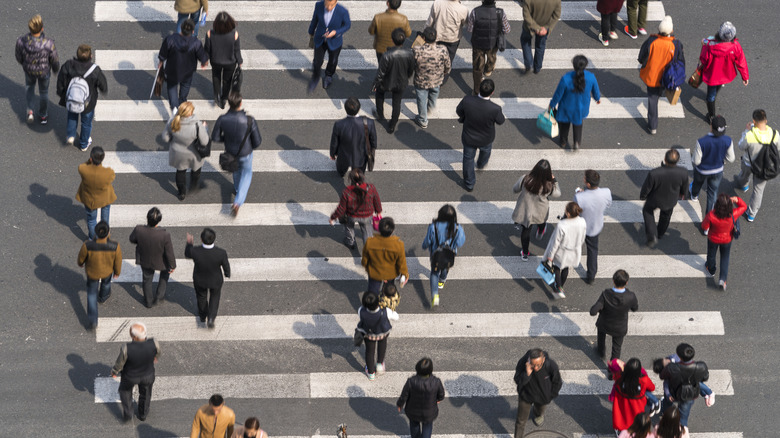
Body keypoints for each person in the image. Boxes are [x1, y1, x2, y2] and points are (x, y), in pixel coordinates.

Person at [212, 92, 262, 216]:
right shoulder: (249, 120)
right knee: (247, 174)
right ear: (241, 102)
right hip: (245, 153)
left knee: (236, 171)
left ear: (229, 103)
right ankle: (237, 202)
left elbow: (215, 137)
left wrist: (227, 140)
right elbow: (257, 141)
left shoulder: (222, 119)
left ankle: (237, 188)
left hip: (230, 153)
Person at [456, 79, 506, 191]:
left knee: (468, 159)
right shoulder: (495, 108)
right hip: (486, 138)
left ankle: (469, 183)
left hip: (469, 136)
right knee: (485, 152)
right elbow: (501, 121)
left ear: (479, 89)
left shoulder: (467, 100)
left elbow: (459, 111)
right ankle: (481, 164)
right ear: (492, 92)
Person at [56, 44, 107, 150]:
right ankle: (83, 144)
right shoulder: (94, 70)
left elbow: (61, 80)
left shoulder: (68, 65)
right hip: (88, 102)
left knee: (72, 115)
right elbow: (103, 85)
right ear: (91, 56)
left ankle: (70, 135)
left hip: (72, 98)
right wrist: (103, 90)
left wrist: (61, 93)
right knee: (86, 122)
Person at [638, 16, 682, 135]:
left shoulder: (652, 41)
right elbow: (680, 62)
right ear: (671, 31)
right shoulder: (676, 44)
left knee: (652, 100)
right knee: (659, 90)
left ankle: (653, 126)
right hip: (667, 77)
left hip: (652, 76)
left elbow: (641, 57)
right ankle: (660, 92)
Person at [698, 21, 749, 124]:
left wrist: (703, 43)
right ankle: (714, 96)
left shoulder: (710, 44)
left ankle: (711, 116)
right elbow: (741, 61)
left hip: (712, 74)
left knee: (710, 96)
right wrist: (745, 77)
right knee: (718, 85)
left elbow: (703, 59)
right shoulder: (735, 46)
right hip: (725, 73)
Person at [548, 54, 601, 150]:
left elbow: (558, 94)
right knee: (578, 123)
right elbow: (595, 91)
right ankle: (577, 142)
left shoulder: (566, 78)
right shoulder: (591, 77)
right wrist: (597, 99)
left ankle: (563, 142)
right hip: (581, 107)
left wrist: (552, 105)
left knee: (564, 126)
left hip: (566, 107)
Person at [111, 322, 160, 422]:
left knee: (125, 391)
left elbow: (120, 363)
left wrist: (114, 371)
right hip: (148, 375)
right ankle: (143, 414)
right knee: (146, 394)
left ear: (133, 337)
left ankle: (128, 413)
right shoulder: (154, 343)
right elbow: (158, 353)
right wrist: (155, 358)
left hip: (130, 376)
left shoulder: (126, 348)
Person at [512, 159, 561, 260]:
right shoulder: (549, 185)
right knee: (541, 221)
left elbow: (515, 189)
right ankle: (540, 231)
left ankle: (525, 253)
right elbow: (557, 194)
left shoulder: (525, 179)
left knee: (525, 231)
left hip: (525, 211)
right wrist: (554, 180)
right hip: (540, 211)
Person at [734, 109, 778, 222]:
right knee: (758, 190)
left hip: (749, 163)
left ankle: (743, 185)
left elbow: (740, 146)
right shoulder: (775, 134)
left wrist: (746, 131)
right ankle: (751, 214)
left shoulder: (750, 135)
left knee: (744, 175)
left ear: (754, 121)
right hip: (765, 168)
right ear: (766, 120)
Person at [77, 221, 122, 330]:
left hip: (92, 272)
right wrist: (117, 272)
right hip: (107, 271)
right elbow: (118, 261)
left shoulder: (87, 245)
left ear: (96, 233)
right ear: (108, 232)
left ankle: (93, 320)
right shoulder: (114, 246)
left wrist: (81, 263)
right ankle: (103, 297)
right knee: (106, 284)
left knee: (91, 294)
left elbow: (81, 257)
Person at [129, 207, 177, 308]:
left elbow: (132, 239)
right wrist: (173, 265)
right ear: (159, 220)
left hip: (145, 259)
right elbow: (169, 252)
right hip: (161, 261)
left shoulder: (138, 229)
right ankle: (159, 296)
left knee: (147, 279)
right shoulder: (165, 234)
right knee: (165, 274)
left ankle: (148, 302)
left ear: (147, 218)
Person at [639, 149, 688, 247]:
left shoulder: (655, 173)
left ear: (665, 159)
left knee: (647, 211)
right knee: (666, 216)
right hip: (671, 200)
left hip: (655, 199)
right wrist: (683, 194)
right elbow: (684, 187)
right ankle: (660, 233)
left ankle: (652, 234)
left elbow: (647, 187)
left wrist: (643, 196)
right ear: (677, 160)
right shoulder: (683, 172)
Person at [16, 14, 59, 125]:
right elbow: (54, 59)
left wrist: (24, 64)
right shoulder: (49, 43)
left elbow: (18, 56)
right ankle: (43, 115)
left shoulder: (21, 41)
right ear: (42, 28)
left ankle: (30, 111)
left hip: (29, 71)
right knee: (43, 92)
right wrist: (55, 69)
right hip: (44, 72)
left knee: (30, 88)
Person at [163, 101, 210, 201]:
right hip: (194, 154)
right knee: (196, 171)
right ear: (189, 114)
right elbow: (204, 141)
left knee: (180, 172)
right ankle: (193, 188)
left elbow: (165, 138)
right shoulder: (197, 125)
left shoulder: (173, 121)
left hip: (178, 154)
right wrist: (205, 128)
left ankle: (181, 193)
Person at [158, 19, 208, 111]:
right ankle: (182, 103)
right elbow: (203, 57)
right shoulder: (196, 43)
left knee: (172, 88)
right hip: (187, 72)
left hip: (172, 70)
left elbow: (163, 54)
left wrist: (161, 62)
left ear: (181, 28)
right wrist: (204, 62)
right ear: (193, 31)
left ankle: (174, 108)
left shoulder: (170, 39)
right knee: (185, 87)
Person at [185, 228, 231, 328]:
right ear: (214, 239)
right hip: (215, 280)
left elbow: (187, 254)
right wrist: (227, 273)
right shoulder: (221, 253)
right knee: (215, 297)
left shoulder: (195, 251)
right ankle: (211, 318)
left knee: (201, 297)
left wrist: (189, 243)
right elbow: (226, 266)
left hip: (200, 280)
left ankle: (202, 316)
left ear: (201, 239)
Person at [422, 205, 466, 307]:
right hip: (449, 253)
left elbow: (427, 241)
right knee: (445, 266)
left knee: (434, 272)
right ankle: (442, 281)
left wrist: (424, 246)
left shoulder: (433, 227)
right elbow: (460, 243)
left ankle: (435, 294)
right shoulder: (457, 228)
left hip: (436, 254)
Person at [373, 28, 415, 133]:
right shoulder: (410, 53)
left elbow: (381, 73)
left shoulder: (387, 55)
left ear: (392, 40)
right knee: (397, 103)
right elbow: (411, 70)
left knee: (379, 94)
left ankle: (380, 114)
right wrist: (406, 77)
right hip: (401, 82)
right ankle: (392, 125)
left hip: (386, 82)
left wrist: (375, 83)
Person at [513, 348, 562, 438]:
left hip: (542, 397)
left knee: (540, 411)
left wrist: (549, 396)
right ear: (528, 361)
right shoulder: (523, 363)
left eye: (538, 365)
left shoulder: (551, 365)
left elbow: (557, 382)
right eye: (533, 365)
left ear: (543, 359)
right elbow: (517, 379)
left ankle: (538, 414)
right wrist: (527, 374)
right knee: (521, 421)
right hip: (526, 396)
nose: (536, 368)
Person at [590, 270, 638, 360]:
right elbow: (634, 308)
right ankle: (612, 370)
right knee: (616, 348)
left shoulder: (606, 294)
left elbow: (593, 312)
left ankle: (601, 351)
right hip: (620, 327)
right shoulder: (631, 296)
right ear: (626, 282)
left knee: (601, 336)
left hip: (604, 324)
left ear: (613, 280)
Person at [701, 194, 746, 290]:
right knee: (725, 258)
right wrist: (737, 199)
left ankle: (711, 269)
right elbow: (744, 207)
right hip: (727, 239)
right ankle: (722, 279)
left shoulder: (711, 215)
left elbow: (704, 226)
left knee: (711, 254)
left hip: (713, 238)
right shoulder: (734, 214)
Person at [329, 169, 383, 250]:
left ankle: (350, 242)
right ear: (363, 177)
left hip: (351, 215)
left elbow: (341, 208)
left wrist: (333, 217)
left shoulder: (347, 191)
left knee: (349, 228)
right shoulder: (371, 188)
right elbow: (376, 200)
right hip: (367, 215)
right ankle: (368, 249)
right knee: (367, 231)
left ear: (351, 179)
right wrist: (378, 211)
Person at [690, 115, 735, 213]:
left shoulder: (701, 142)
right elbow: (731, 158)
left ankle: (694, 196)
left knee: (697, 184)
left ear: (711, 126)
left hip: (702, 170)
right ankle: (708, 222)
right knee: (712, 194)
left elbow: (696, 161)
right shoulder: (728, 140)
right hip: (717, 170)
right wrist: (723, 160)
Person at [659, 343, 709, 429]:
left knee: (667, 404)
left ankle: (665, 414)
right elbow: (705, 377)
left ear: (679, 357)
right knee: (683, 418)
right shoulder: (701, 366)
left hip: (673, 392)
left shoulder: (671, 367)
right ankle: (682, 432)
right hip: (689, 394)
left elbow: (662, 376)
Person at [574, 170, 612, 283]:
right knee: (592, 251)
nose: (583, 179)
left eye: (584, 178)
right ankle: (591, 276)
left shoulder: (579, 197)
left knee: (575, 244)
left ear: (588, 184)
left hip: (581, 226)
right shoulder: (606, 192)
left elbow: (575, 211)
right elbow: (609, 204)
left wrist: (580, 193)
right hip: (595, 226)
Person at [543, 201, 587, 299]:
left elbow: (555, 242)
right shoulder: (582, 222)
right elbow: (582, 237)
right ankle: (561, 285)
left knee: (557, 268)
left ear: (568, 213)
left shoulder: (562, 225)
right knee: (566, 268)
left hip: (562, 251)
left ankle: (558, 287)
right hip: (573, 250)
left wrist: (550, 256)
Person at [307, 0, 351, 92]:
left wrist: (336, 32)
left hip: (335, 41)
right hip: (320, 39)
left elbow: (347, 25)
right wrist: (311, 32)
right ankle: (315, 77)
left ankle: (328, 76)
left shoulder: (342, 11)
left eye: (332, 5)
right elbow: (315, 19)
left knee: (333, 61)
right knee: (317, 62)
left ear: (336, 2)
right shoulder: (318, 5)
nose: (329, 8)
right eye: (327, 5)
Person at [467, 0, 510, 94]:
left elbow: (470, 29)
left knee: (477, 67)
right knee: (492, 57)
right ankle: (488, 70)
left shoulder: (475, 11)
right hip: (493, 43)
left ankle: (477, 90)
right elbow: (507, 30)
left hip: (478, 43)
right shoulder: (500, 12)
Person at [397, 357, 446, 438]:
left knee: (414, 425)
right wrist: (438, 399)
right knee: (427, 426)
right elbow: (441, 394)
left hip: (413, 411)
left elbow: (404, 396)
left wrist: (400, 404)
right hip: (429, 412)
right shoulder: (436, 382)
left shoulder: (411, 381)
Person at [412, 27, 450, 129]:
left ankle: (423, 120)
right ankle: (430, 109)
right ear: (436, 37)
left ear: (423, 37)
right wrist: (445, 72)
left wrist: (418, 41)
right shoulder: (442, 49)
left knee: (421, 99)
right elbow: (447, 65)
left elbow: (412, 63)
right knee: (434, 94)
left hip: (421, 81)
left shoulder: (417, 50)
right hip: (436, 80)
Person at [76, 146, 117, 240]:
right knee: (105, 214)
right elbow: (112, 177)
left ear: (91, 159)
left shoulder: (83, 169)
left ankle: (93, 238)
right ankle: (104, 234)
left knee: (91, 220)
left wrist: (90, 161)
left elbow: (82, 166)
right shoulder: (108, 173)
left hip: (91, 200)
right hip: (105, 197)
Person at [330, 97, 378, 177]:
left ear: (345, 109)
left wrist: (332, 154)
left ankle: (342, 174)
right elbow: (373, 141)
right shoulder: (369, 123)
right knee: (359, 175)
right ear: (359, 109)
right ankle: (356, 185)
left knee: (341, 169)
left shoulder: (339, 125)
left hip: (344, 155)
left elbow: (334, 143)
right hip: (361, 156)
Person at [205, 11, 243, 109]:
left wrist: (205, 60)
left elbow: (207, 50)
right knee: (227, 81)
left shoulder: (210, 34)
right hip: (230, 63)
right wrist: (240, 61)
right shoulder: (235, 35)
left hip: (215, 61)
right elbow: (237, 51)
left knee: (216, 78)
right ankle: (224, 98)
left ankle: (216, 96)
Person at [361, 217, 409, 294]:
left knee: (373, 292)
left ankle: (373, 304)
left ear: (379, 229)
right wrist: (404, 274)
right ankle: (385, 303)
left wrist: (366, 266)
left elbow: (365, 259)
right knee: (388, 291)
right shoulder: (398, 245)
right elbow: (401, 263)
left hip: (374, 272)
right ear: (392, 230)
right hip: (390, 272)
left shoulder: (370, 242)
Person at [609, 358, 656, 433]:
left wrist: (618, 362)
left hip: (622, 405)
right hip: (637, 407)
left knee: (623, 420)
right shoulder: (644, 380)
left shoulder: (619, 377)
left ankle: (621, 432)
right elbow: (652, 387)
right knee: (635, 423)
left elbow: (612, 364)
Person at [357, 291, 393, 380]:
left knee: (369, 352)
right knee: (382, 346)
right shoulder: (384, 311)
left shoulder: (361, 311)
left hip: (369, 335)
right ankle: (380, 364)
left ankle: (371, 373)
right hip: (382, 333)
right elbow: (395, 316)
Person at [520, 0, 561, 74]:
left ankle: (529, 64)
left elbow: (526, 15)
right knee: (540, 46)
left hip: (529, 27)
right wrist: (546, 28)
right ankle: (537, 67)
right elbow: (556, 16)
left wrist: (536, 28)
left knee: (525, 42)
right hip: (544, 29)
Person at [425, 0, 468, 67]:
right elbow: (464, 23)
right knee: (449, 60)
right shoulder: (463, 9)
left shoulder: (437, 3)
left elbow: (430, 22)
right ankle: (444, 74)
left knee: (434, 58)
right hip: (453, 39)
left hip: (437, 36)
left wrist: (425, 33)